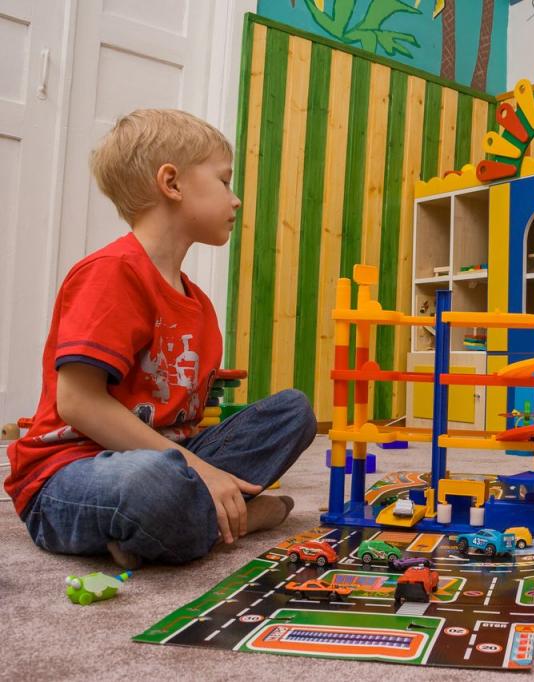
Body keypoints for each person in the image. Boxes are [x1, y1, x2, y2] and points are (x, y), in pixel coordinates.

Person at [3, 109, 317, 568]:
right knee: (152, 484)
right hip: (70, 473)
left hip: (168, 457)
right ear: (172, 183)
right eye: (224, 181)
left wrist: (197, 464)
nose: (235, 200)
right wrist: (199, 470)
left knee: (293, 412)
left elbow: (183, 427)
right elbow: (78, 403)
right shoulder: (111, 273)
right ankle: (232, 519)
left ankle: (175, 525)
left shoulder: (200, 305)